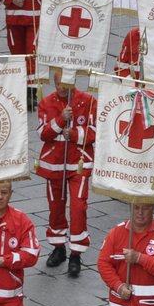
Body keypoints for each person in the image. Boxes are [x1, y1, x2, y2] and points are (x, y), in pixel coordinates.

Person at [36, 71, 98, 277]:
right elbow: (42, 133)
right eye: (58, 83)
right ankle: (58, 247)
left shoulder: (88, 101)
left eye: (65, 83)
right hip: (54, 164)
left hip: (78, 163)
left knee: (78, 206)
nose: (61, 87)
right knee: (55, 206)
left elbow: (97, 131)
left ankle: (76, 254)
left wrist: (77, 134)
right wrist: (61, 121)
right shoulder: (46, 102)